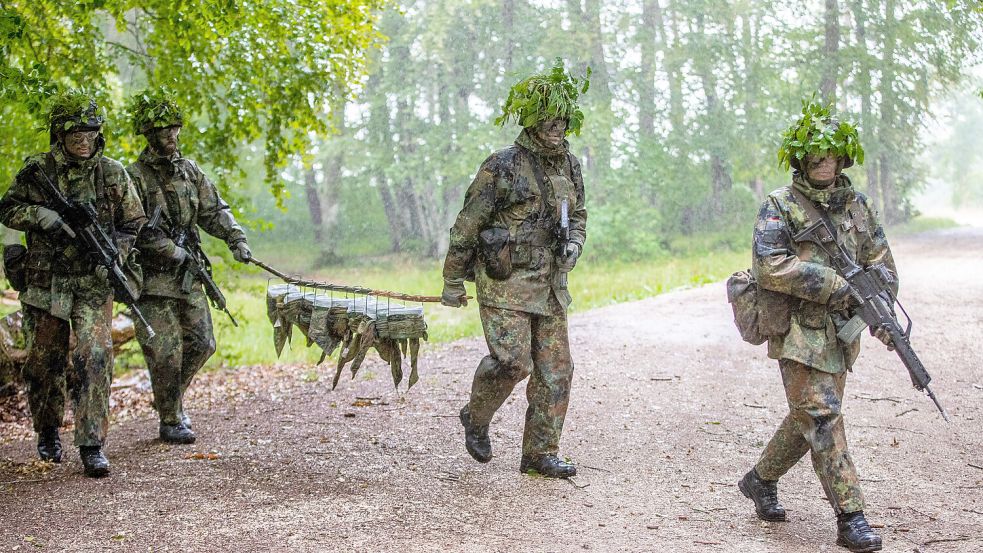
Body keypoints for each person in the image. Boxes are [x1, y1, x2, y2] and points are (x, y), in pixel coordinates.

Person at [738, 103, 894, 552]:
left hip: (842, 335)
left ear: (843, 158)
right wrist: (831, 284)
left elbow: (881, 265)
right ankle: (851, 517)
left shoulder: (858, 208)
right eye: (814, 155)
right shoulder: (780, 207)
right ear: (801, 159)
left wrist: (879, 313)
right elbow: (768, 267)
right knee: (823, 417)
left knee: (808, 416)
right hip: (797, 332)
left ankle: (759, 478)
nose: (823, 161)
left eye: (831, 154)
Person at [440, 61, 588, 478]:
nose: (557, 127)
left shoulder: (570, 165)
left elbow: (579, 214)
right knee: (512, 362)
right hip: (505, 282)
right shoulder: (502, 165)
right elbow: (467, 225)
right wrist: (452, 279)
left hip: (550, 284)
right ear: (531, 121)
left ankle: (540, 454)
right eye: (548, 119)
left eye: (562, 119)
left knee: (557, 371)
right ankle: (477, 416)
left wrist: (574, 245)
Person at [0, 91, 146, 477]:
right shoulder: (39, 169)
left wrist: (115, 253)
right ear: (58, 135)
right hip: (46, 284)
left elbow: (134, 223)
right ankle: (47, 430)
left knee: (95, 357)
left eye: (90, 132)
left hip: (92, 285)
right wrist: (41, 215)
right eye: (74, 132)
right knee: (45, 363)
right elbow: (7, 209)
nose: (84, 139)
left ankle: (91, 443)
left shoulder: (113, 173)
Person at [125, 88, 250, 444]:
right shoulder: (133, 176)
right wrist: (168, 249)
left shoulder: (190, 170)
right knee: (165, 351)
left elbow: (213, 210)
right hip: (150, 280)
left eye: (175, 128)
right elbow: (130, 227)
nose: (172, 135)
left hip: (187, 276)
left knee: (203, 342)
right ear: (148, 134)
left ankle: (168, 398)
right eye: (164, 129)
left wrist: (236, 239)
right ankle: (170, 417)